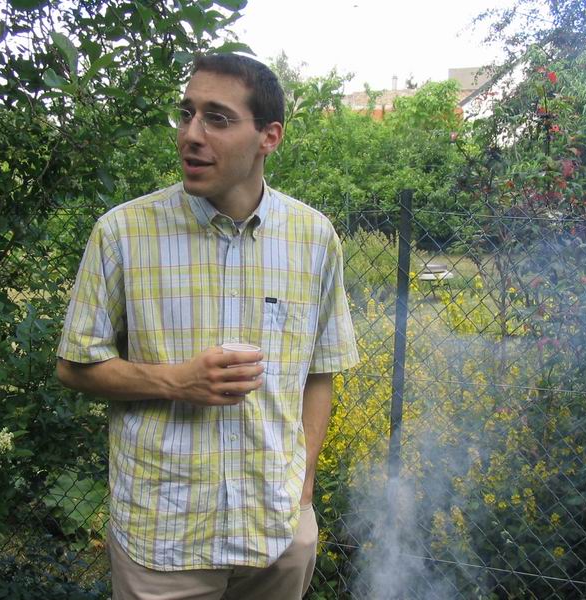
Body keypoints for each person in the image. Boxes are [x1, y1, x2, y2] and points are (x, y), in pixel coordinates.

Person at [56, 53, 358, 600]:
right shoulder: (123, 233)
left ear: (269, 136)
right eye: (186, 114)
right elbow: (75, 367)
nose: (191, 135)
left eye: (217, 118)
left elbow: (321, 371)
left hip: (276, 531)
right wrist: (177, 381)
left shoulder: (314, 238)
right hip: (164, 537)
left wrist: (303, 492)